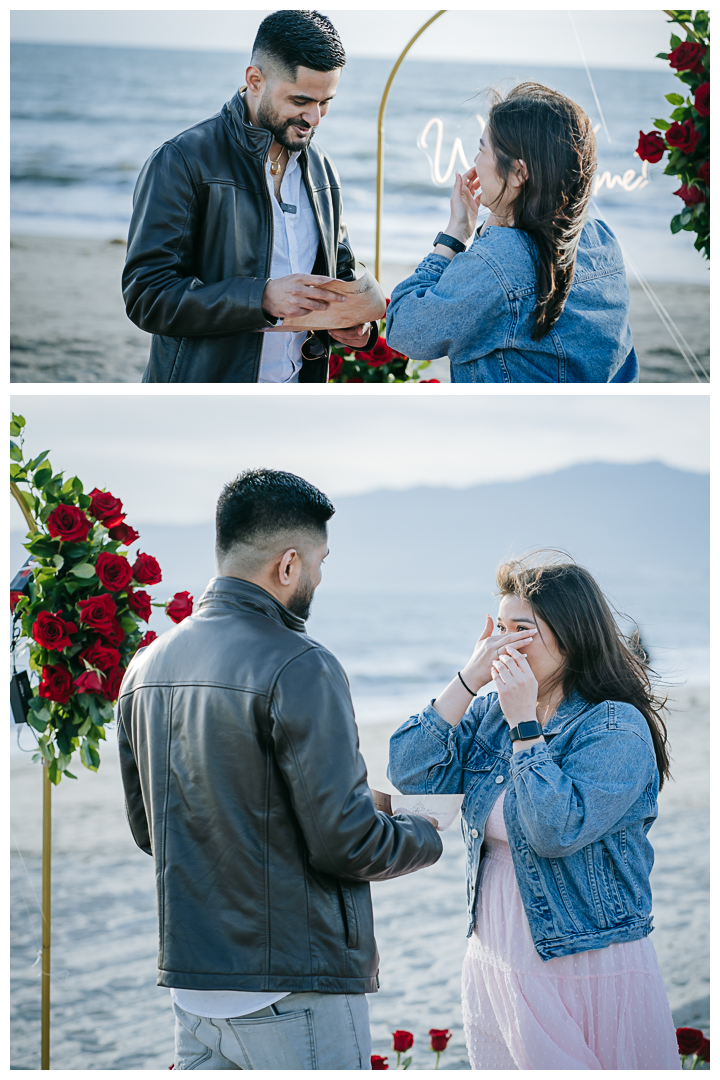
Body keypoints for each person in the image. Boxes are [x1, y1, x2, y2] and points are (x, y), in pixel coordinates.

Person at [117, 469, 442, 1070]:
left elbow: (154, 830)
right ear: (288, 565)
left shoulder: (143, 668)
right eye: (320, 560)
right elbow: (348, 845)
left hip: (194, 986)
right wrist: (427, 833)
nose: (320, 576)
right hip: (293, 984)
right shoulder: (301, 665)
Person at [388, 553, 681, 1070]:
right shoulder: (489, 712)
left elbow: (553, 828)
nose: (505, 643)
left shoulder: (614, 727)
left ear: (570, 635)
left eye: (521, 629)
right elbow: (412, 774)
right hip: (498, 954)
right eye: (499, 628)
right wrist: (468, 678)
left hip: (582, 959)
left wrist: (525, 723)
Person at [122, 10, 377, 383]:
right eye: (301, 101)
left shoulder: (322, 169)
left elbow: (341, 273)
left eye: (325, 102)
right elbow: (147, 296)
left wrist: (355, 325)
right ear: (255, 80)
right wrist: (262, 298)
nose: (315, 118)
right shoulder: (182, 161)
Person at [385, 83, 638, 383]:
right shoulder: (602, 239)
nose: (475, 162)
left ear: (519, 173)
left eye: (482, 149)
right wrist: (498, 219)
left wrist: (455, 234)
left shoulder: (499, 265)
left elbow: (404, 327)